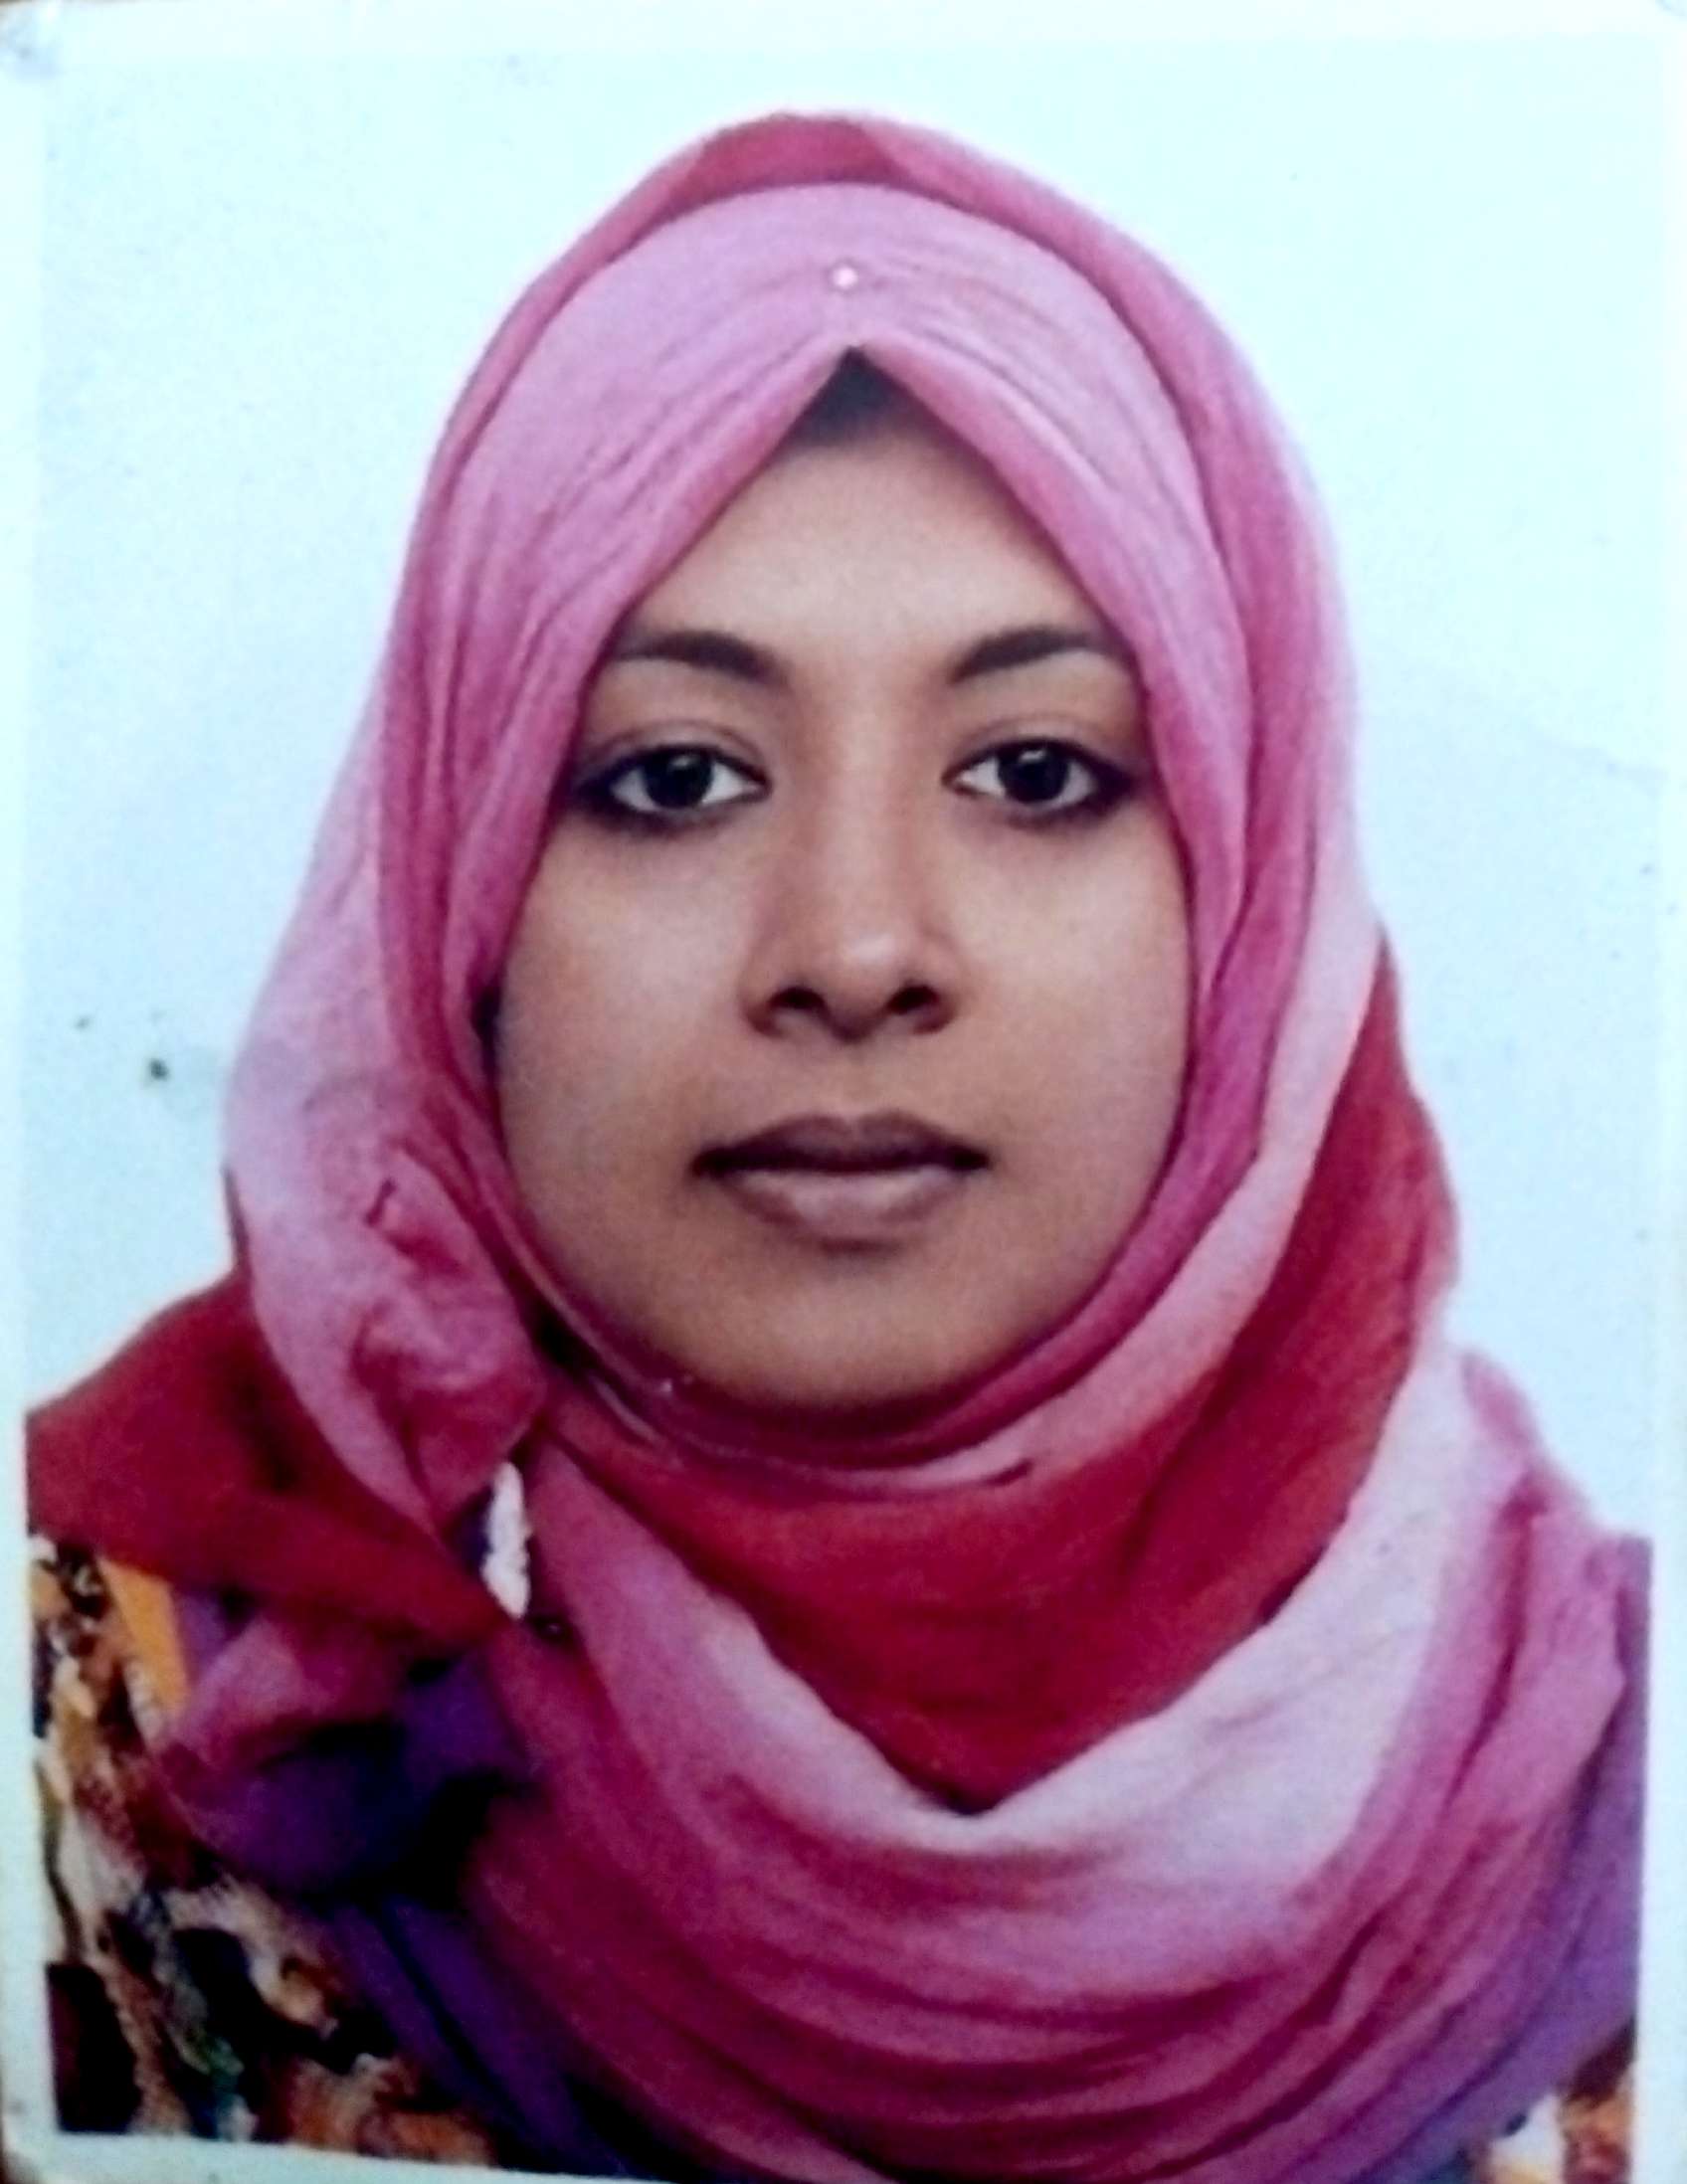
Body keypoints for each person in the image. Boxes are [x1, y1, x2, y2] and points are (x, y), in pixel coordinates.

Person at [26, 110, 1644, 2184]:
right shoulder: (93, 1725)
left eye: (1036, 770)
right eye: (674, 777)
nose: (856, 948)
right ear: (456, 902)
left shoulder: (1609, 1772)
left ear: (1251, 914)